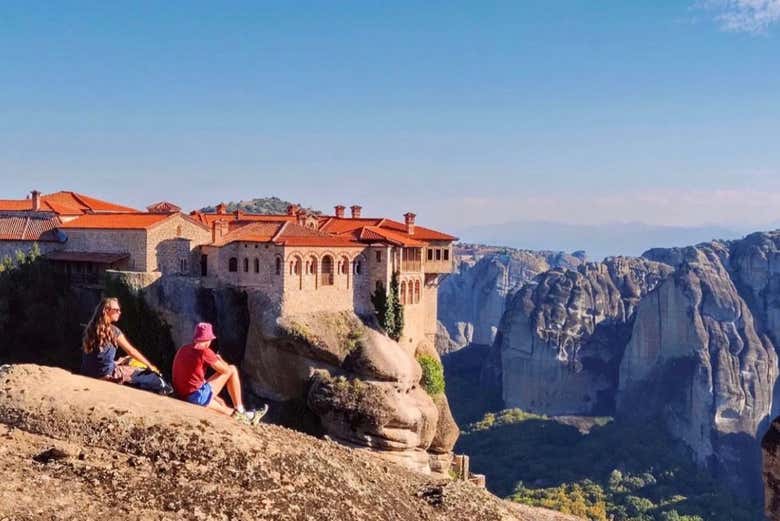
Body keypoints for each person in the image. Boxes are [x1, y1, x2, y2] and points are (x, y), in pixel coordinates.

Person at [172, 322, 267, 425]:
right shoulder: (204, 352)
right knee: (233, 369)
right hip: (196, 397)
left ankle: (246, 415)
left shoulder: (183, 349)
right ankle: (240, 409)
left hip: (183, 395)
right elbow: (226, 371)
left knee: (223, 407)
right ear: (209, 339)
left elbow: (193, 378)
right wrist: (220, 360)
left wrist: (216, 397)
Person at [81, 297, 159, 383]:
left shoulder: (90, 329)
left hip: (88, 373)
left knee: (126, 359)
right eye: (116, 310)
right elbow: (131, 351)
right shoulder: (113, 331)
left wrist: (117, 362)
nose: (119, 312)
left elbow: (99, 359)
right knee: (147, 374)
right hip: (106, 375)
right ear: (107, 311)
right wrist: (150, 366)